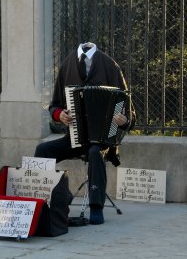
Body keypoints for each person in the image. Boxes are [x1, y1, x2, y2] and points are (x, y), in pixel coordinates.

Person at [35, 42, 135, 225]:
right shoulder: (67, 64)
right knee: (42, 150)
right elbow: (54, 106)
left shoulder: (110, 65)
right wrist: (60, 115)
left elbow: (130, 113)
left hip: (103, 140)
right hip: (74, 137)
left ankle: (96, 207)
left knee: (95, 152)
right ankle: (56, 196)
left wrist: (124, 121)